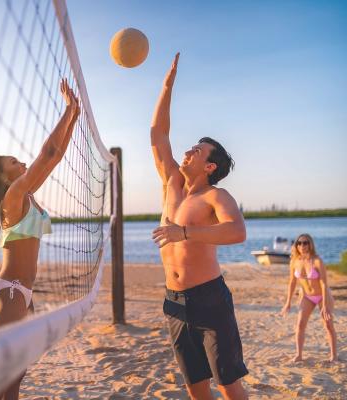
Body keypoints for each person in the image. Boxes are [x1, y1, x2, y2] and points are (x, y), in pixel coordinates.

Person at [150, 53, 249, 400]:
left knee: (228, 384)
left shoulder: (216, 196)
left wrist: (186, 233)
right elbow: (158, 134)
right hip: (174, 301)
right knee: (195, 387)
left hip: (209, 300)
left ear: (209, 167)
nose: (188, 151)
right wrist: (167, 85)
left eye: (197, 150)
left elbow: (237, 231)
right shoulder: (172, 185)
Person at [0, 78, 79, 400]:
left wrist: (74, 115)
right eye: (13, 162)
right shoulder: (14, 197)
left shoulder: (27, 194)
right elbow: (47, 152)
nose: (21, 162)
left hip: (23, 290)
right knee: (5, 373)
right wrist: (66, 110)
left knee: (16, 371)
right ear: (4, 176)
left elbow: (56, 156)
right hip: (9, 289)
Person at [281, 233, 337, 362]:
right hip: (307, 296)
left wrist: (325, 305)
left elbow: (324, 283)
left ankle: (334, 356)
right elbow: (292, 282)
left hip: (323, 296)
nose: (302, 245)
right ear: (296, 245)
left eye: (305, 242)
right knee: (300, 324)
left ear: (310, 244)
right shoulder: (294, 261)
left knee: (328, 324)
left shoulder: (317, 260)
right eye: (299, 243)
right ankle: (299, 355)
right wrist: (288, 302)